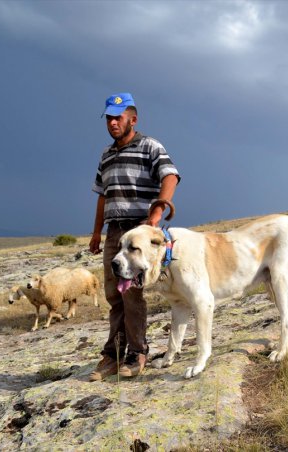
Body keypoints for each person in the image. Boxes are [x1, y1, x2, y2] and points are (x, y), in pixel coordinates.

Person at [88, 92, 180, 381]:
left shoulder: (149, 146)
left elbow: (170, 176)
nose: (113, 123)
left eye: (119, 118)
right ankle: (113, 354)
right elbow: (103, 195)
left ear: (133, 119)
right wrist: (96, 232)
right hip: (114, 231)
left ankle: (137, 352)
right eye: (109, 118)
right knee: (114, 294)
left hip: (137, 232)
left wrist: (157, 212)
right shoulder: (106, 155)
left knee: (132, 294)